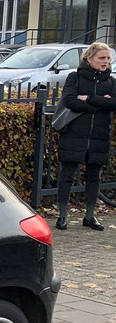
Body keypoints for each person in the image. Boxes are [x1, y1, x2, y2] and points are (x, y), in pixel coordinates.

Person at [56, 41, 115, 231]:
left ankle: (90, 216)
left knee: (93, 176)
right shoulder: (75, 77)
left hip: (99, 135)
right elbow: (70, 100)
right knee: (67, 174)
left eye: (107, 58)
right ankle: (62, 215)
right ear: (89, 58)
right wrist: (99, 104)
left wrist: (88, 98)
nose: (105, 62)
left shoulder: (111, 82)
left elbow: (113, 104)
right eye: (101, 58)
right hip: (75, 133)